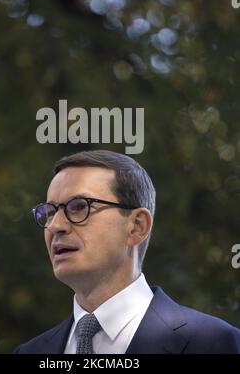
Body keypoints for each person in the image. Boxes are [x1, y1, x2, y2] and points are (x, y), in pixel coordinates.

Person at [14, 150, 240, 354]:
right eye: (50, 212)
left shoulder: (214, 343)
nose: (55, 225)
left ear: (137, 226)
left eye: (79, 206)